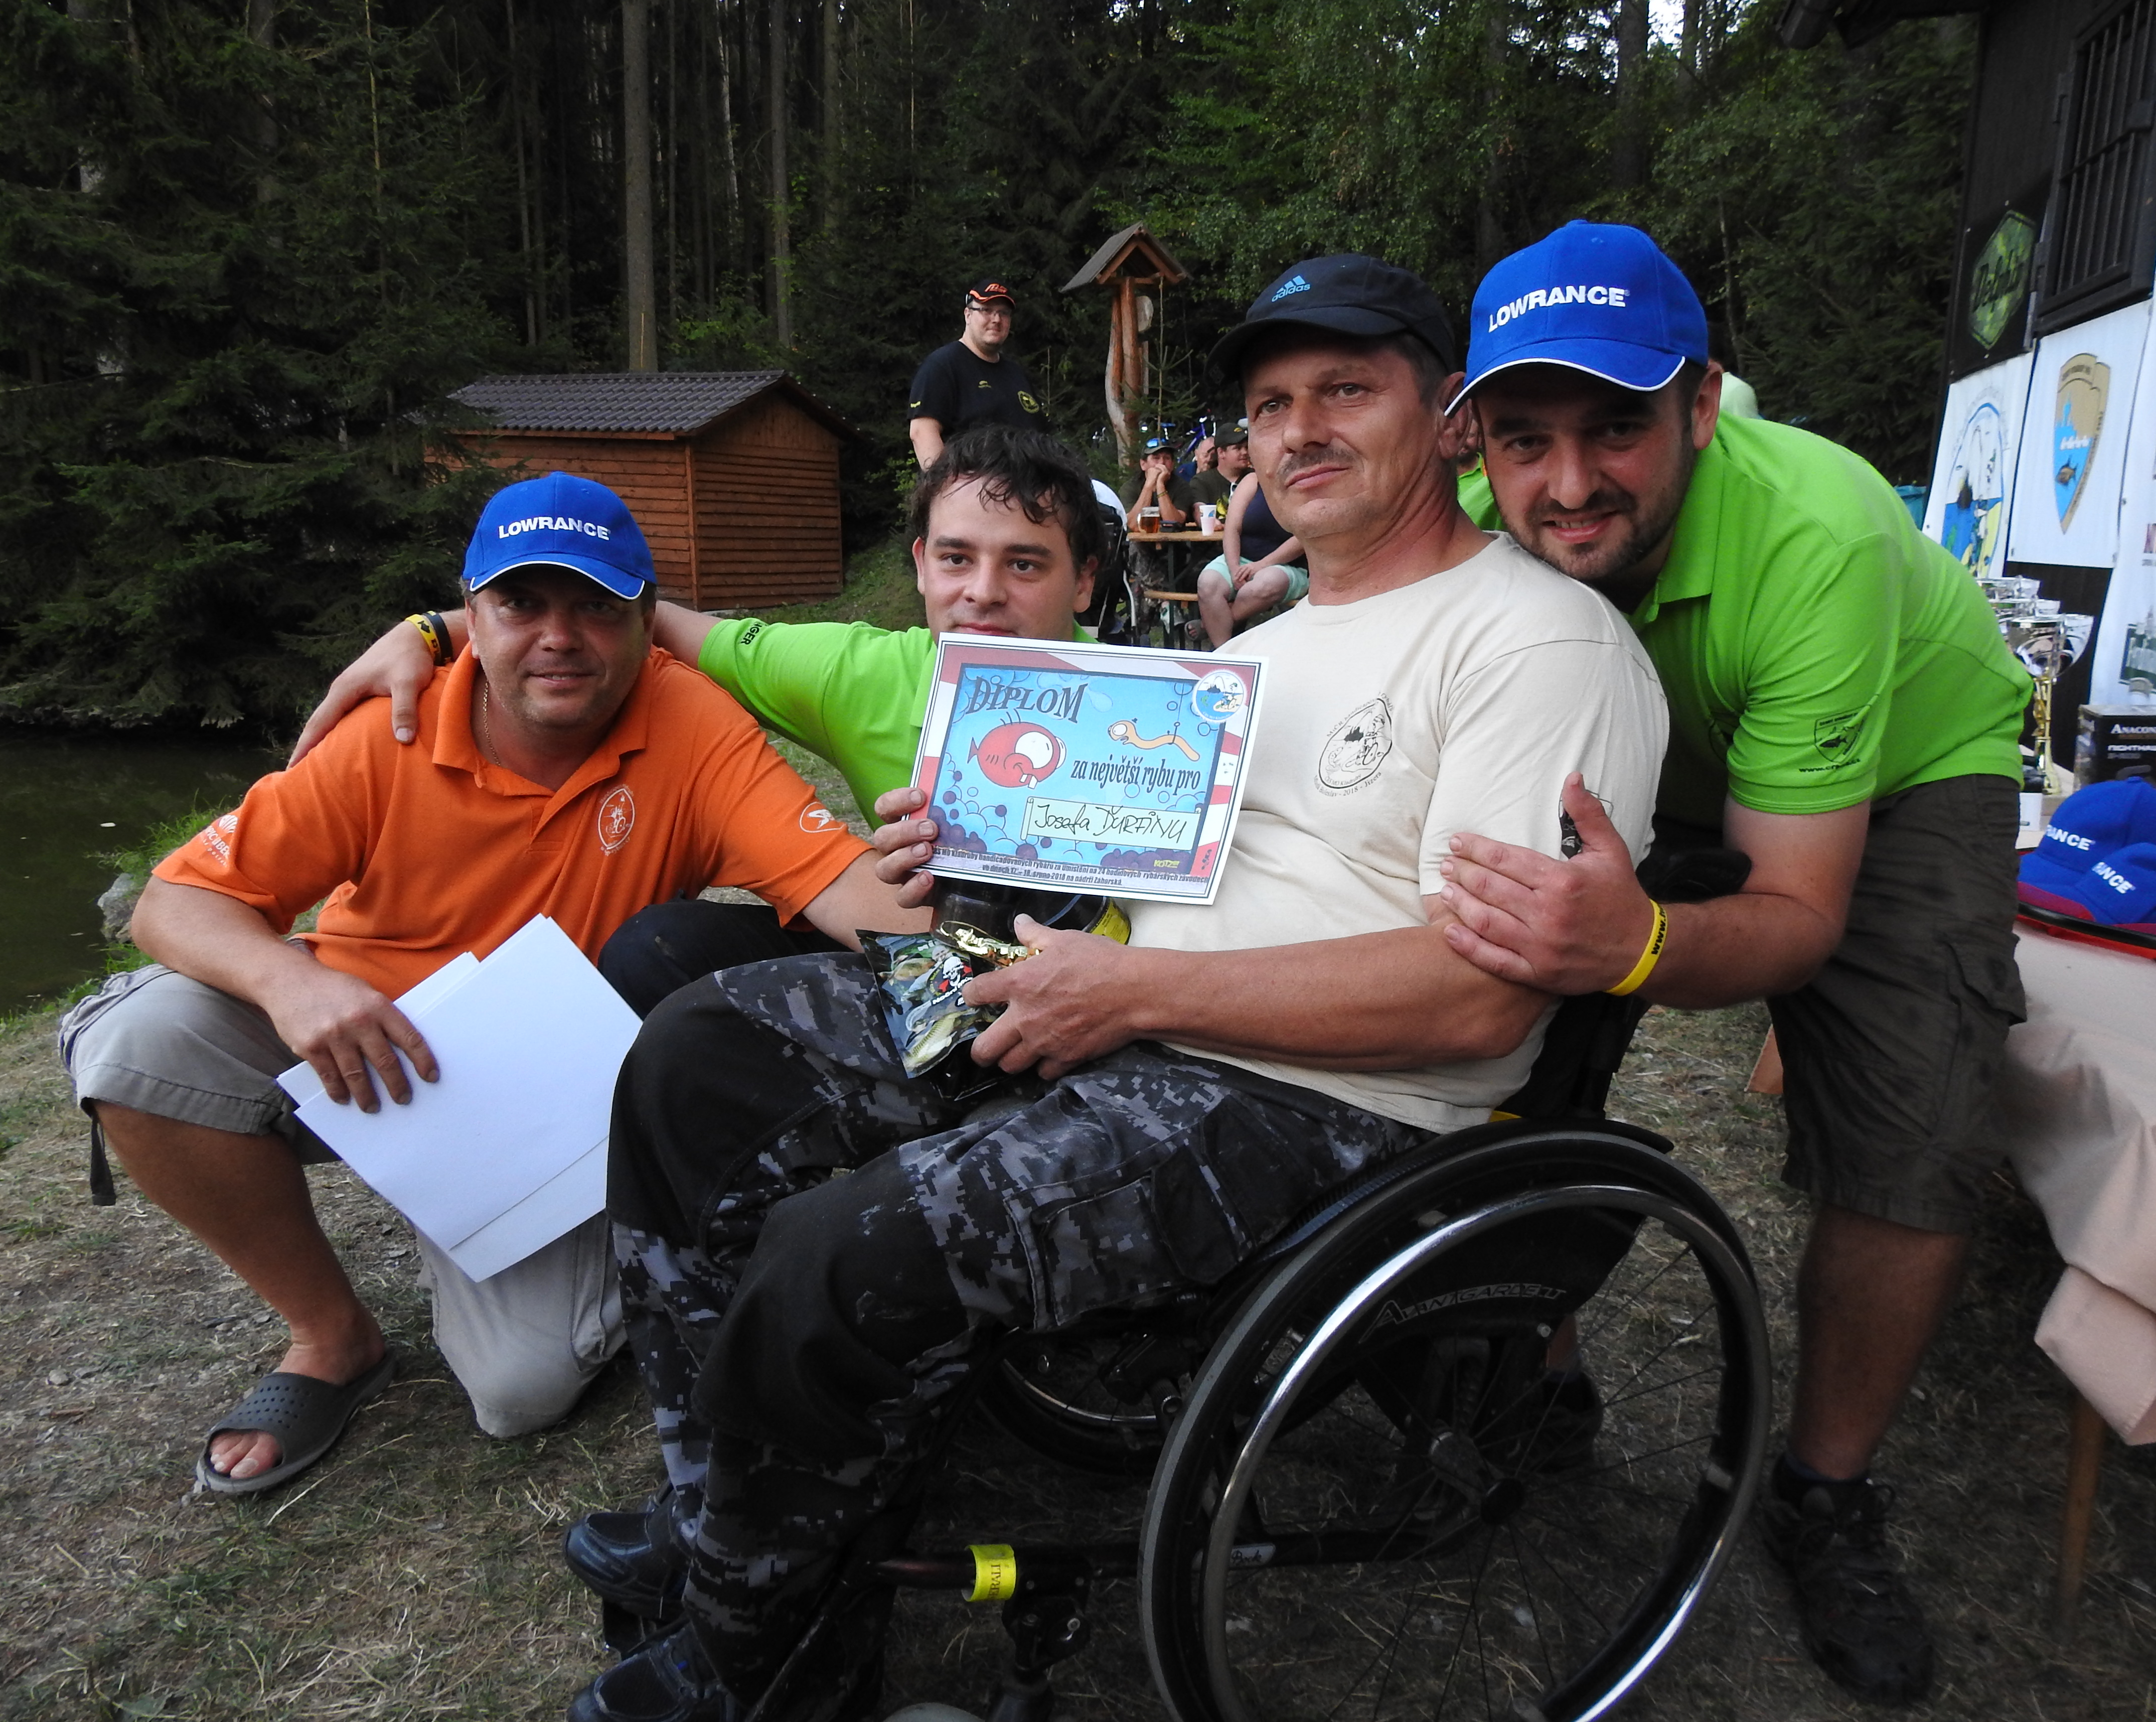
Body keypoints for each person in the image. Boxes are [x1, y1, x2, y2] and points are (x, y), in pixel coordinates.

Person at [557, 252, 1667, 1722]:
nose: (1301, 430)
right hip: (1115, 1002)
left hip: (1312, 1102)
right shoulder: (1259, 650)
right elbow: (1137, 870)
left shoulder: (1539, 642)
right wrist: (974, 842)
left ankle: (761, 1667)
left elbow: (1478, 1004)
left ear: (1447, 416)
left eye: (1346, 389)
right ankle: (731, 1523)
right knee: (696, 1056)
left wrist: (1133, 995)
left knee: (843, 1255)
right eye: (1271, 404)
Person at [59, 473, 924, 1496]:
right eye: (521, 604)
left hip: (531, 1111)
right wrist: (289, 982)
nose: (559, 637)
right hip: (353, 1040)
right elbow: (170, 904)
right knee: (137, 1043)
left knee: (521, 1393)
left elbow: (845, 890)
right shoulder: (392, 725)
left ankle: (495, 1224)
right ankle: (331, 1337)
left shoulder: (692, 723)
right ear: (471, 614)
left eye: (595, 605)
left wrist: (1027, 940)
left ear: (645, 620)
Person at [1438, 220, 2031, 1706]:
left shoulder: (1819, 532)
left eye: (1617, 428)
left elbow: (1795, 913)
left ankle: (1823, 1491)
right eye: (1525, 438)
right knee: (1506, 1041)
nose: (1567, 483)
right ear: (1473, 438)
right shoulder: (1467, 504)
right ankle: (1536, 1377)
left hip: (1901, 766)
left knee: (1913, 1131)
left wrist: (1636, 938)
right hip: (1650, 752)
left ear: (1701, 405)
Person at [294, 428, 1110, 1017]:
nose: (983, 593)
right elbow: (634, 618)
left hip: (1133, 970)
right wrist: (441, 630)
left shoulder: (1161, 705)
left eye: (1025, 563)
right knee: (663, 945)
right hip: (946, 951)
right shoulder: (851, 672)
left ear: (1084, 582)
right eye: (957, 558)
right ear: (921, 567)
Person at [906, 278, 1046, 469]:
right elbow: (922, 433)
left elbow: (1041, 436)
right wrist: (947, 485)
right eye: (986, 310)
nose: (996, 320)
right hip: (972, 485)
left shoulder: (1017, 373)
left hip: (1026, 484)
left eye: (1004, 313)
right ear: (968, 315)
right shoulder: (942, 366)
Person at [1195, 463, 1308, 646]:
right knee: (1208, 583)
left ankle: (1212, 625)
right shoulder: (1252, 481)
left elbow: (1303, 538)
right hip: (1241, 558)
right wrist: (1234, 568)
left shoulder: (1304, 482)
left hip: (1288, 565)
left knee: (1266, 584)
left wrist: (1261, 565)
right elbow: (1232, 528)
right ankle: (1224, 653)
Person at [1124, 435, 1193, 527]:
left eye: (1167, 458)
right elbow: (1133, 525)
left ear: (1172, 464)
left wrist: (1160, 485)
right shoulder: (1131, 487)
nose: (1162, 463)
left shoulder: (1182, 486)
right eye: (1156, 458)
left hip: (1172, 536)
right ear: (1143, 464)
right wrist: (1149, 486)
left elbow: (1173, 524)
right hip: (1141, 536)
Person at [1188, 422, 1252, 510]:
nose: (1245, 452)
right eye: (1238, 448)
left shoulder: (1257, 478)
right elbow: (1199, 511)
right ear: (1221, 453)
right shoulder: (1202, 482)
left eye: (1246, 447)